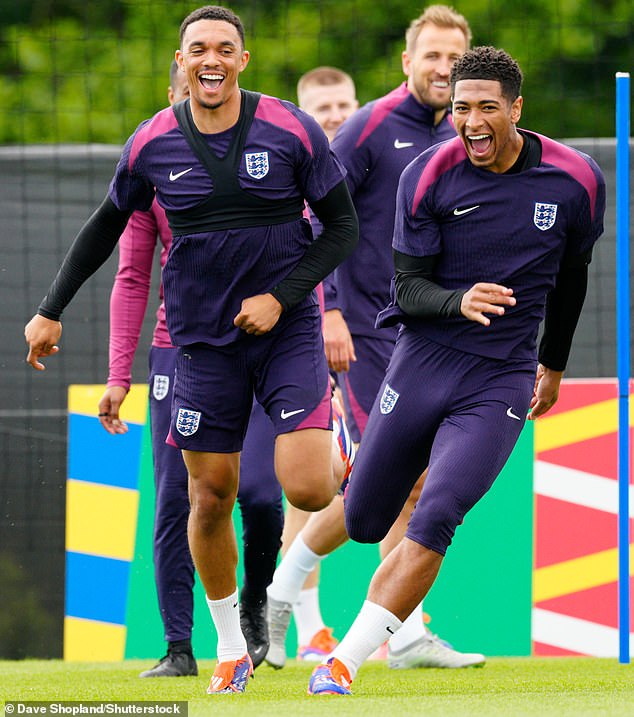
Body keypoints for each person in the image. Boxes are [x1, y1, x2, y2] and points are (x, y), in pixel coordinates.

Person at [24, 4, 358, 696]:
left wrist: (281, 296)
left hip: (285, 328)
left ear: (243, 61)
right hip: (201, 346)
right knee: (209, 495)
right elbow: (104, 231)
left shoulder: (289, 129)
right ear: (181, 63)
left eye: (225, 48)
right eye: (198, 48)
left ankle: (336, 449)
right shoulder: (151, 143)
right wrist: (49, 309)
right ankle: (231, 644)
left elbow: (342, 229)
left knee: (307, 486)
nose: (211, 58)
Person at [307, 45, 606, 696]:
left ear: (516, 109)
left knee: (437, 512)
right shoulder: (428, 175)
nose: (470, 121)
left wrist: (550, 365)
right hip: (421, 361)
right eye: (461, 107)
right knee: (363, 521)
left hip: (499, 378)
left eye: (486, 108)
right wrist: (458, 300)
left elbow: (574, 278)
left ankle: (343, 662)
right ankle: (325, 523)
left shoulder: (575, 179)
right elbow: (405, 291)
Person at [267, 4, 485, 671]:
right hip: (360, 332)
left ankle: (394, 627)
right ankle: (289, 598)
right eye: (433, 56)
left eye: (456, 58)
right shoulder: (367, 128)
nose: (444, 68)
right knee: (382, 481)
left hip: (432, 336)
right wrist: (325, 312)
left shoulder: (467, 133)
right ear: (407, 61)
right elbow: (313, 218)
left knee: (410, 485)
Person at [97, 60, 284, 675]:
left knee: (257, 492)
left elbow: (310, 239)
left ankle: (255, 601)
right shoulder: (151, 172)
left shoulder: (266, 159)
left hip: (260, 347)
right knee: (176, 499)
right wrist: (118, 376)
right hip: (177, 353)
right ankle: (180, 648)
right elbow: (131, 278)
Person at [268, 66, 359, 667]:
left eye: (343, 104)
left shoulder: (374, 160)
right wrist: (329, 316)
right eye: (322, 106)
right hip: (319, 342)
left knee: (338, 476)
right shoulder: (297, 172)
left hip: (381, 339)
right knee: (323, 478)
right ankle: (307, 626)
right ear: (305, 112)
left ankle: (302, 623)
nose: (334, 115)